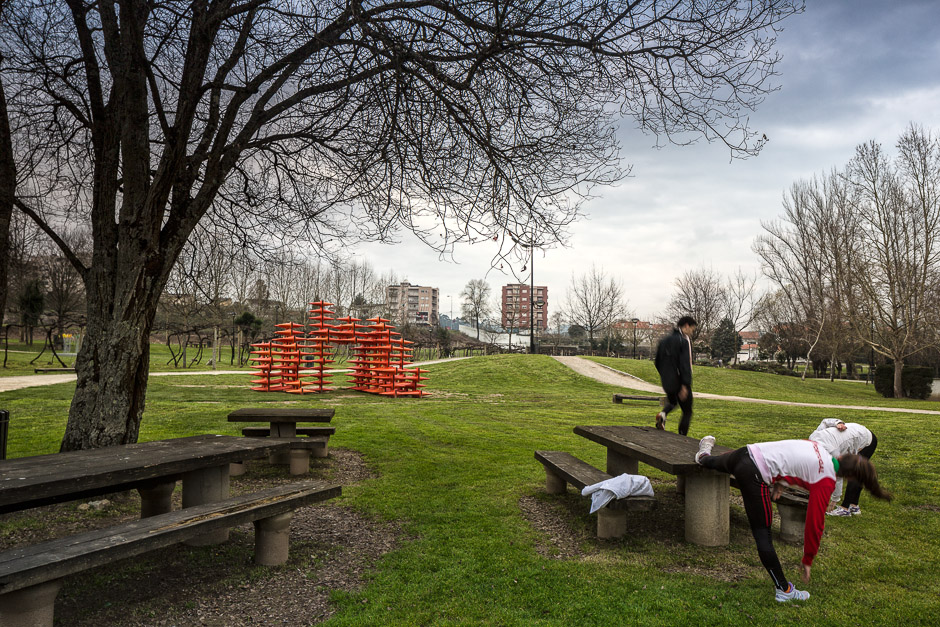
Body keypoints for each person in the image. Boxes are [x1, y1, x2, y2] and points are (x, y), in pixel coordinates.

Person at [693, 435, 892, 602]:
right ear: (849, 478)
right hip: (754, 472)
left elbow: (791, 457)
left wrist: (781, 482)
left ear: (841, 456)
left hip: (747, 452)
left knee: (713, 462)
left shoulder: (818, 447)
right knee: (762, 534)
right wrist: (808, 559)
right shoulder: (826, 481)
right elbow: (815, 523)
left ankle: (703, 456)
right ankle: (784, 590)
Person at [808, 418, 877, 516]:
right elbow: (825, 421)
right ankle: (854, 506)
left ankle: (845, 509)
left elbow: (839, 474)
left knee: (853, 473)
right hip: (856, 433)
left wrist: (834, 500)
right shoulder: (813, 437)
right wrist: (837, 422)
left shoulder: (831, 452)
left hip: (867, 440)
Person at [653, 315, 697, 435]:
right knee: (687, 411)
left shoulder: (663, 341)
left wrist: (665, 375)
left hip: (667, 381)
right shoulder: (683, 341)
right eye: (692, 329)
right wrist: (685, 385)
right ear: (686, 326)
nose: (692, 332)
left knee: (673, 402)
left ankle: (663, 414)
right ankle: (682, 438)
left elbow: (657, 362)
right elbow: (684, 365)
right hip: (679, 381)